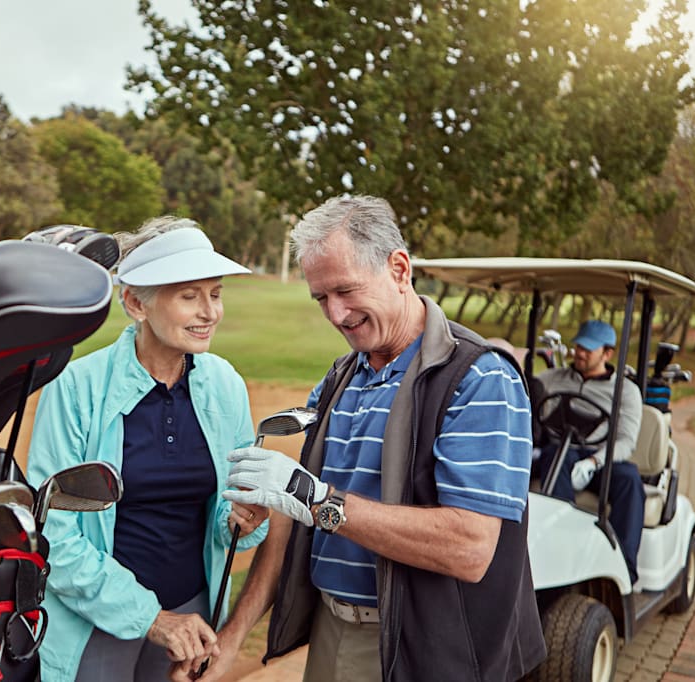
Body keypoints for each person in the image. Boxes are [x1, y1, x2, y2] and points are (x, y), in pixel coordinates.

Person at [188, 195, 545, 682]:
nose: (336, 314)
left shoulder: (480, 378)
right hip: (332, 631)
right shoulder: (339, 379)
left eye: (346, 290)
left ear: (399, 269)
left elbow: (469, 547)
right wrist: (232, 639)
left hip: (430, 652)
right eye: (321, 298)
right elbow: (295, 515)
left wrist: (319, 501)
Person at [26, 217, 270, 682]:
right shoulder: (77, 387)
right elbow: (52, 534)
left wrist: (243, 519)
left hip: (192, 617)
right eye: (188, 295)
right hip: (94, 620)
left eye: (215, 293)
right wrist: (152, 618)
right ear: (136, 302)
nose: (210, 311)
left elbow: (224, 522)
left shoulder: (225, 385)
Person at [535, 319, 645, 584]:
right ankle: (558, 554)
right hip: (560, 451)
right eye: (578, 346)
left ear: (607, 354)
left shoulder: (626, 391)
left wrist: (594, 461)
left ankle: (623, 566)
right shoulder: (554, 378)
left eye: (588, 349)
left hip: (599, 458)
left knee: (630, 480)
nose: (579, 354)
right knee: (552, 457)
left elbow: (626, 441)